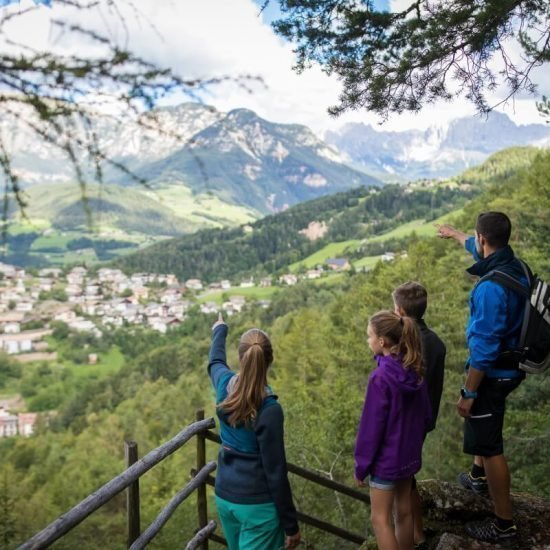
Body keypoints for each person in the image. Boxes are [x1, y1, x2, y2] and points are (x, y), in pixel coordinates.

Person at [437, 212, 528, 544]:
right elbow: (475, 247)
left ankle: (504, 526)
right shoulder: (510, 264)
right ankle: (477, 477)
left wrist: (468, 392)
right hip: (513, 363)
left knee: (490, 444)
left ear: (485, 239)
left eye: (477, 239)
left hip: (495, 372)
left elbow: (484, 351)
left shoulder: (490, 289)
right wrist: (455, 234)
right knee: (483, 421)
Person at [208, 312, 301, 550]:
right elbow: (275, 470)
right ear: (270, 360)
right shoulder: (270, 409)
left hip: (226, 496)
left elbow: (215, 362)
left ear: (241, 358)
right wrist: (291, 524)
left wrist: (220, 329)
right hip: (257, 505)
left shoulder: (224, 386)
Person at [355, 311, 432, 550]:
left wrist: (361, 466)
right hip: (408, 456)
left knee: (380, 520)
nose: (367, 341)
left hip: (385, 462)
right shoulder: (415, 370)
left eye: (369, 336)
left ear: (382, 342)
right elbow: (426, 416)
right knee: (404, 513)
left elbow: (371, 429)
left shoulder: (380, 378)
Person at [393, 282, 446, 549]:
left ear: (400, 311)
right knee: (409, 476)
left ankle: (414, 536)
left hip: (404, 423)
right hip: (425, 418)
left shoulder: (402, 344)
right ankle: (418, 533)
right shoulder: (436, 342)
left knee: (402, 481)